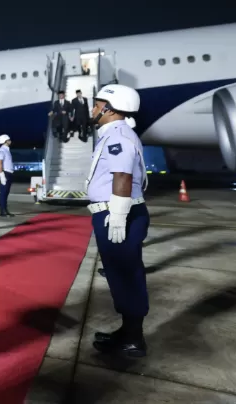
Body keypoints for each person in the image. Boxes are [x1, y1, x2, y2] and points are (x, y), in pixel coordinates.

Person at [85, 84, 149, 358]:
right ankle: (128, 333)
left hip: (117, 212)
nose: (93, 108)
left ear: (108, 109)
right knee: (121, 273)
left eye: (97, 104)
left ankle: (133, 341)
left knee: (124, 275)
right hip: (116, 210)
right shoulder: (116, 133)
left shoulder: (118, 136)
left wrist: (119, 217)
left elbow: (121, 177)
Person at [0, 134, 15, 217]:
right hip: (5, 173)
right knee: (3, 193)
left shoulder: (7, 150)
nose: (10, 141)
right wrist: (1, 174)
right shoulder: (1, 150)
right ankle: (2, 211)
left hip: (9, 173)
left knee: (6, 192)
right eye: (8, 140)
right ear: (5, 141)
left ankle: (5, 210)